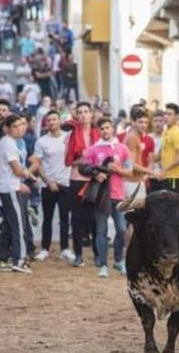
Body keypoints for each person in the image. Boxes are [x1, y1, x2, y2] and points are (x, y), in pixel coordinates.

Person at [81, 116, 132, 278]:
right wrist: (96, 174)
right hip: (101, 196)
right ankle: (103, 265)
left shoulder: (122, 148)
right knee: (101, 231)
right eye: (102, 128)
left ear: (113, 129)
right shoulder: (93, 149)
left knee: (122, 229)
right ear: (98, 131)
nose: (105, 131)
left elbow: (130, 171)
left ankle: (118, 260)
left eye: (107, 127)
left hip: (119, 194)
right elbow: (83, 168)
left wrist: (117, 169)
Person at [0, 114, 34, 274]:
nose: (20, 128)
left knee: (8, 225)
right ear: (7, 128)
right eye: (15, 126)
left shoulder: (11, 142)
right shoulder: (8, 143)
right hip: (11, 188)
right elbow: (16, 169)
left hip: (9, 187)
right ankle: (20, 261)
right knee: (19, 226)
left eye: (21, 124)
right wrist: (27, 174)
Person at [31, 110, 73, 262]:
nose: (52, 122)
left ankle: (65, 249)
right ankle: (44, 248)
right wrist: (48, 182)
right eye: (49, 120)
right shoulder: (41, 141)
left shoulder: (68, 138)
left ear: (59, 121)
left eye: (54, 119)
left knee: (64, 218)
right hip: (48, 185)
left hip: (66, 183)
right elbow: (38, 164)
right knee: (47, 218)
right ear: (46, 123)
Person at [64, 101, 99, 267]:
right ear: (77, 115)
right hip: (77, 179)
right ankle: (78, 254)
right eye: (80, 112)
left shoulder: (98, 134)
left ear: (91, 114)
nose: (84, 114)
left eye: (86, 111)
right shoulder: (71, 135)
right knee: (76, 218)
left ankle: (98, 254)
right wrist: (83, 160)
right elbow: (68, 161)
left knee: (94, 219)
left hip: (94, 180)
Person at [152, 102, 179, 193]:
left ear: (177, 117)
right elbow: (160, 155)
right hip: (166, 176)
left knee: (171, 206)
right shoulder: (166, 131)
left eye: (170, 114)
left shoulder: (177, 133)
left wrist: (165, 170)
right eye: (165, 114)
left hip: (174, 177)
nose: (166, 117)